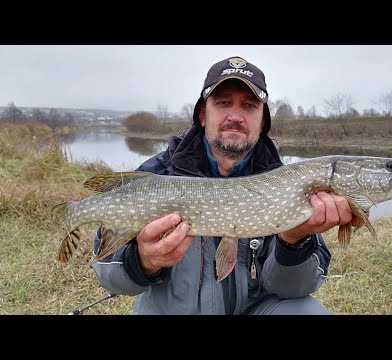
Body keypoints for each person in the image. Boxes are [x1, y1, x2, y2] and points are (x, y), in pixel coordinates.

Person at [92, 56, 364, 315]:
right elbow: (109, 273)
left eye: (249, 106)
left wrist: (294, 240)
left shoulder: (287, 184)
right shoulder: (157, 175)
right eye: (223, 103)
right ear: (202, 115)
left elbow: (295, 289)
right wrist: (142, 261)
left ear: (262, 120)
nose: (236, 116)